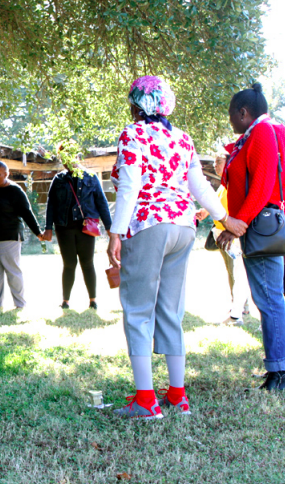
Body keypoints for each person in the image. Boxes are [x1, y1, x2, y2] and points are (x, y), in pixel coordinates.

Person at [107, 76, 246, 418]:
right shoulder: (182, 138)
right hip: (184, 227)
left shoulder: (133, 134)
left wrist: (115, 232)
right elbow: (198, 184)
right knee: (171, 310)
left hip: (148, 225)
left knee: (138, 312)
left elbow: (130, 185)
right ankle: (178, 396)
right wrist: (224, 217)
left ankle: (145, 401)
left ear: (138, 104)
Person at [217, 83, 285, 391]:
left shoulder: (261, 132)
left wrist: (237, 224)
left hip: (261, 224)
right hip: (260, 222)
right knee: (270, 297)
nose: (230, 121)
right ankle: (277, 363)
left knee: (269, 299)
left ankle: (279, 371)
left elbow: (262, 186)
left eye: (232, 115)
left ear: (243, 113)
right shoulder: (263, 132)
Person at [0, 161, 45, 308]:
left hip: (9, 238)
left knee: (13, 272)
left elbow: (27, 212)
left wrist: (38, 232)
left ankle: (20, 304)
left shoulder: (15, 190)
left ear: (6, 174)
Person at [44, 163, 112, 310]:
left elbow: (101, 202)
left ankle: (93, 300)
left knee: (87, 263)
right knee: (69, 264)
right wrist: (48, 227)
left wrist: (109, 228)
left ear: (78, 157)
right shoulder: (58, 179)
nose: (68, 161)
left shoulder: (91, 177)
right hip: (64, 227)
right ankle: (66, 301)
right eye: (64, 158)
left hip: (86, 227)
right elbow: (51, 204)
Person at [195, 153, 250, 325]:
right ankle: (239, 306)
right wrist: (205, 211)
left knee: (237, 272)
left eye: (219, 162)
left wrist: (232, 231)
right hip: (221, 236)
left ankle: (238, 311)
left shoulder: (235, 182)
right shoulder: (222, 185)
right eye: (215, 162)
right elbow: (219, 206)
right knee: (232, 272)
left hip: (232, 237)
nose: (216, 165)